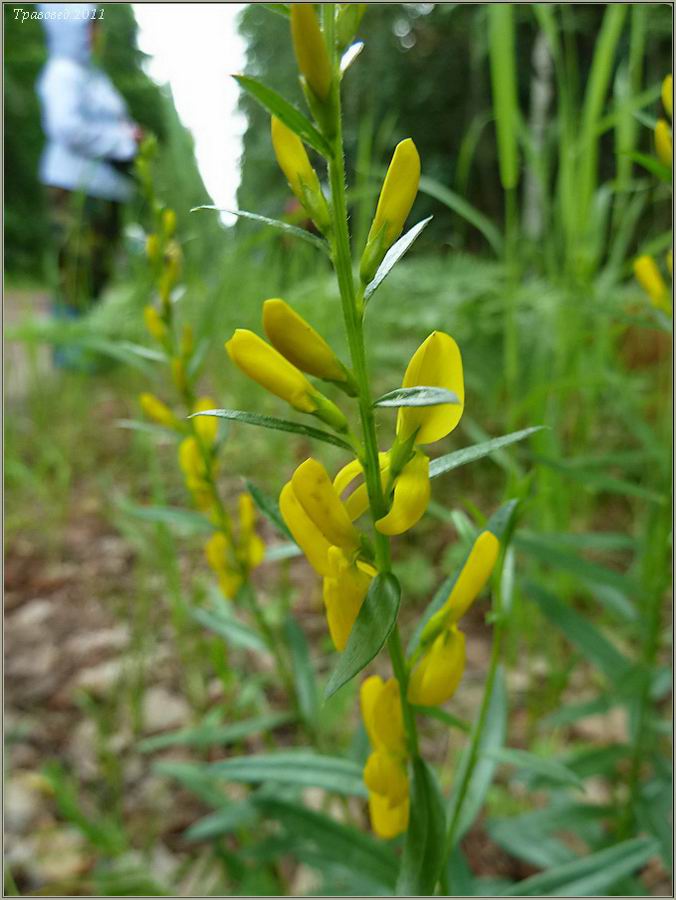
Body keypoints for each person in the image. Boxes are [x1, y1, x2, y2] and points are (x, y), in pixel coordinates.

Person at [36, 3, 141, 365]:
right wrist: (122, 141)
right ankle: (70, 354)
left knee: (100, 268)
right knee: (75, 268)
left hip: (106, 188)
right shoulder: (62, 73)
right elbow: (65, 127)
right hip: (74, 186)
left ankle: (91, 347)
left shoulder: (96, 78)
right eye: (90, 26)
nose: (98, 35)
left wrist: (130, 137)